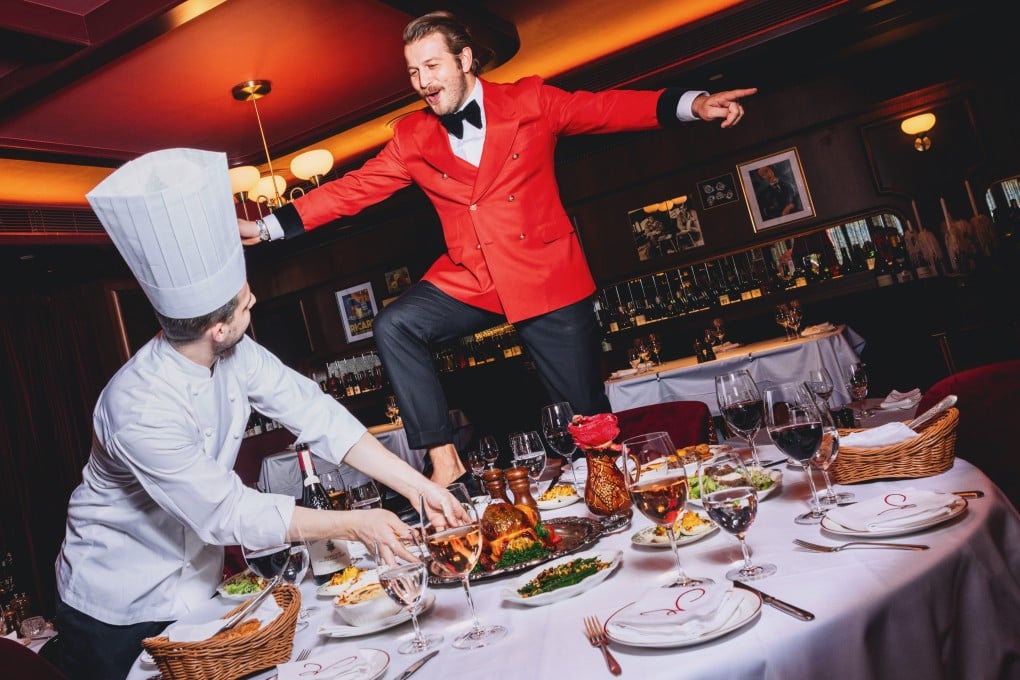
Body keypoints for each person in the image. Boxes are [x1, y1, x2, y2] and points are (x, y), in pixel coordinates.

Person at [238, 11, 756, 487]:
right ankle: (444, 458)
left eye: (432, 65)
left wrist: (693, 104)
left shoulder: (529, 101)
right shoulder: (413, 137)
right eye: (413, 71)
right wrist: (267, 228)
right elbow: (354, 189)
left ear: (464, 60)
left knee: (589, 427)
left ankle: (621, 505)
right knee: (396, 325)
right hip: (472, 277)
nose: (422, 81)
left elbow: (604, 109)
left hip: (546, 276)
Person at [53, 148, 460, 680]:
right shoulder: (136, 405)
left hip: (194, 590)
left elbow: (317, 413)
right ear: (217, 329)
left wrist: (418, 487)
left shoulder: (235, 351)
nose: (255, 302)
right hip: (116, 602)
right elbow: (229, 514)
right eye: (245, 302)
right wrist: (357, 524)